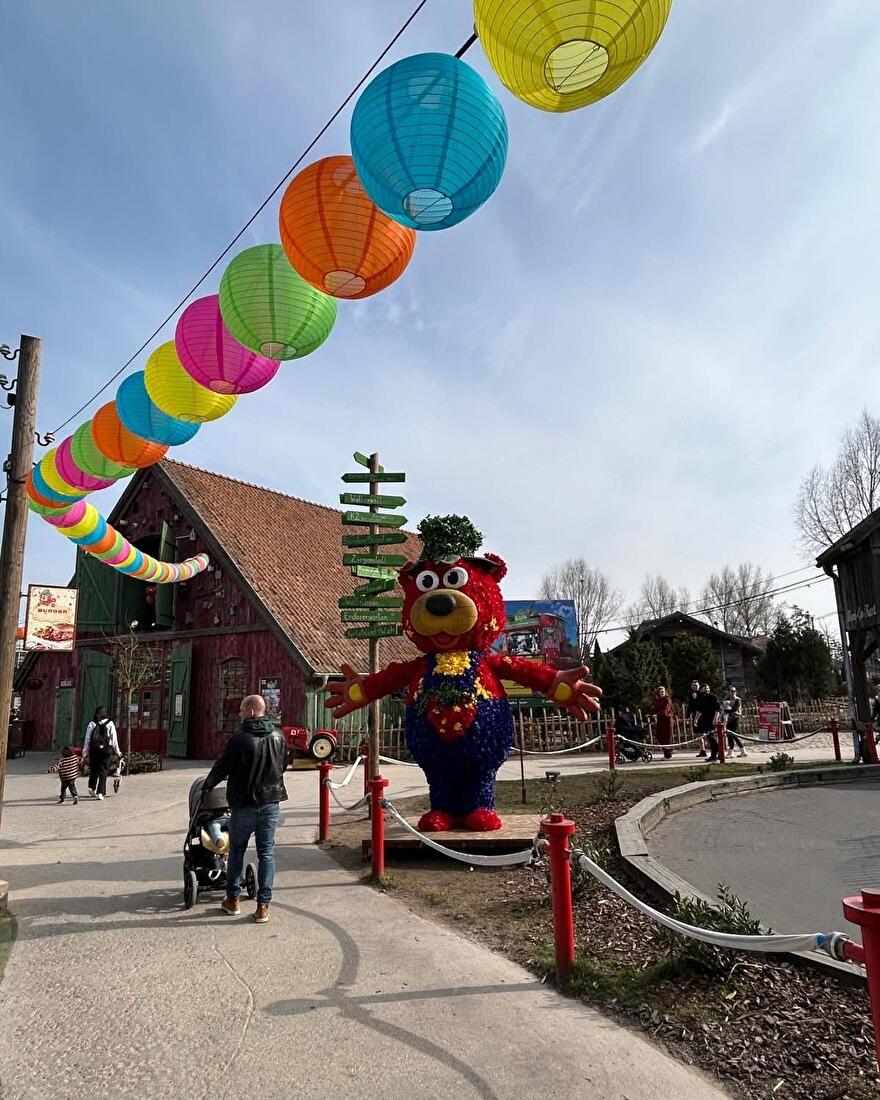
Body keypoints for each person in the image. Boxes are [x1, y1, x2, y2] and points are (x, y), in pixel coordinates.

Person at [202, 694, 287, 924]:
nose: (239, 714)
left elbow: (223, 766)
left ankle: (233, 900)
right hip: (270, 803)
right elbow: (283, 766)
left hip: (244, 803)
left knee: (237, 850)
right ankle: (263, 906)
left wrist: (208, 785)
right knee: (266, 852)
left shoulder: (239, 739)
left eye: (241, 710)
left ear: (250, 712)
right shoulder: (278, 736)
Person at [82, 707, 120, 800]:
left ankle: (92, 788)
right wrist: (117, 751)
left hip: (94, 750)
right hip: (106, 750)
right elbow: (114, 739)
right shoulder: (110, 723)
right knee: (103, 771)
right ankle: (100, 792)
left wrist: (85, 752)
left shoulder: (92, 723)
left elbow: (87, 739)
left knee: (94, 769)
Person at [694, 684, 721, 762]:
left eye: (707, 688)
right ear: (701, 690)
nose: (706, 690)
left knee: (712, 738)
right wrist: (696, 719)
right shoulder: (702, 698)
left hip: (712, 719)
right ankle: (716, 754)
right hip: (705, 720)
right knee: (710, 738)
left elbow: (717, 709)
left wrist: (715, 718)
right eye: (704, 688)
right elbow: (700, 710)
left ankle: (716, 754)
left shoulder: (713, 697)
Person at [721, 685, 746, 758]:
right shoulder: (727, 699)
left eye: (734, 691)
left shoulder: (738, 699)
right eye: (731, 691)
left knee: (733, 734)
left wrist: (725, 710)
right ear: (729, 692)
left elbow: (735, 709)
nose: (733, 692)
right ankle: (736, 751)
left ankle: (739, 751)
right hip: (728, 719)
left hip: (735, 718)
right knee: (730, 735)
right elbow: (722, 705)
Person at [652, 686, 674, 760]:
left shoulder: (667, 700)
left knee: (667, 737)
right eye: (661, 692)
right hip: (660, 721)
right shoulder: (658, 700)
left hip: (667, 720)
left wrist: (657, 714)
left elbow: (665, 710)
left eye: (663, 691)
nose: (662, 693)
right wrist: (651, 714)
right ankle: (668, 751)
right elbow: (655, 709)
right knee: (659, 735)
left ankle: (668, 755)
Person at [686, 680, 705, 756]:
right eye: (694, 685)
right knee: (697, 733)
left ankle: (705, 749)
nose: (695, 687)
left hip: (701, 715)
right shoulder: (691, 695)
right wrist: (688, 716)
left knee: (703, 733)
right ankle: (702, 750)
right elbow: (690, 706)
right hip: (694, 714)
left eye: (696, 685)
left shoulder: (701, 694)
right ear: (691, 686)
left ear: (699, 686)